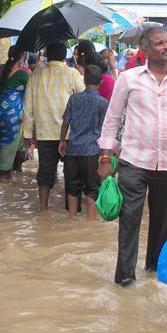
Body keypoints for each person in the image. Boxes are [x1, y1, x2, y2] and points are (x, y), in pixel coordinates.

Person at [98, 26, 167, 286]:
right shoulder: (129, 79)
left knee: (162, 224)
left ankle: (153, 274)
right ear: (145, 50)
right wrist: (105, 158)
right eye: (159, 43)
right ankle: (125, 279)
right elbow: (112, 118)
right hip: (133, 161)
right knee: (129, 221)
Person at [23, 42, 86, 211]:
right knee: (72, 173)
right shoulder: (72, 74)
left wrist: (28, 133)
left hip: (45, 133)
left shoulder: (35, 75)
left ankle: (43, 208)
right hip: (70, 134)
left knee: (45, 172)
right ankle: (71, 210)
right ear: (64, 55)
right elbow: (83, 99)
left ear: (47, 56)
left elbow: (27, 107)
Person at [59, 65, 109, 221]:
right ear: (101, 82)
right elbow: (105, 130)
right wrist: (106, 154)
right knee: (92, 189)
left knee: (72, 187)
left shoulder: (74, 99)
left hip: (73, 149)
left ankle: (71, 217)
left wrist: (62, 141)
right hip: (92, 151)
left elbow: (66, 122)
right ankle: (90, 222)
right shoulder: (103, 103)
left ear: (84, 80)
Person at [0, 47, 31, 180]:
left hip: (0, 111)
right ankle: (4, 173)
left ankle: (8, 174)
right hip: (15, 114)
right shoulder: (23, 74)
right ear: (22, 57)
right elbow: (29, 95)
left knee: (5, 142)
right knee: (11, 144)